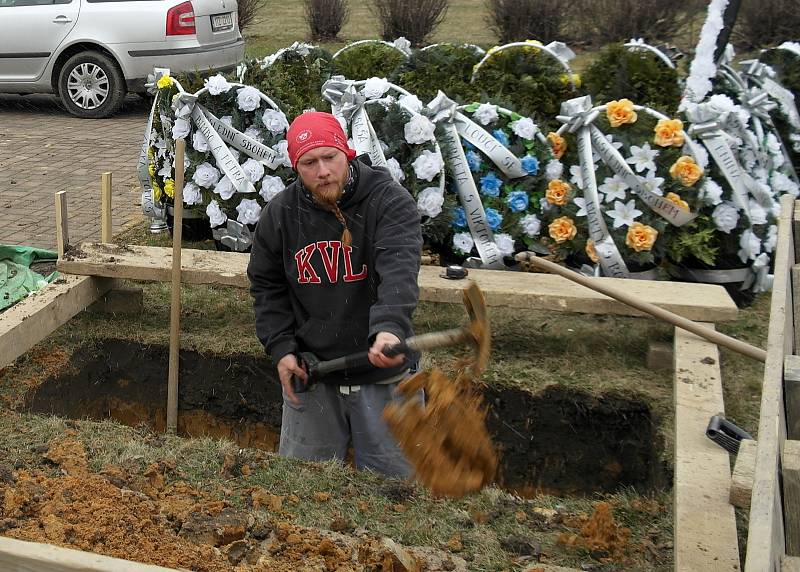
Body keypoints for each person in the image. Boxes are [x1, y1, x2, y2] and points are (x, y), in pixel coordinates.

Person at [247, 111, 423, 477]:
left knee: (398, 491)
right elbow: (267, 286)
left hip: (383, 375)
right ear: (296, 167)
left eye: (331, 158)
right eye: (309, 162)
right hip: (313, 373)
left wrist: (389, 328)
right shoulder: (280, 215)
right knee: (303, 487)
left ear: (348, 153)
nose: (323, 171)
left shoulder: (388, 201)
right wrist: (281, 348)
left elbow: (398, 271)